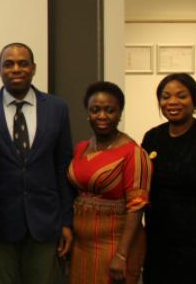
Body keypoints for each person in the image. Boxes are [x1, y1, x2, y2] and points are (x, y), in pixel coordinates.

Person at [0, 43, 74, 284]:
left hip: (45, 221)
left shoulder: (57, 108)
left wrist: (66, 221)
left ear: (33, 68)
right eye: (8, 64)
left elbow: (63, 166)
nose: (16, 69)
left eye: (23, 63)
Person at [67, 81, 151, 284]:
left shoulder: (134, 153)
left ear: (120, 113)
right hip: (81, 245)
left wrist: (122, 255)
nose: (102, 116)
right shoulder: (81, 148)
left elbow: (136, 209)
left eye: (109, 110)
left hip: (115, 245)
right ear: (88, 112)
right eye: (95, 110)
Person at [141, 73, 196, 284]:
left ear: (194, 101)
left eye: (181, 96)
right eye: (165, 97)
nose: (172, 102)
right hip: (157, 239)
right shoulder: (152, 137)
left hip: (193, 244)